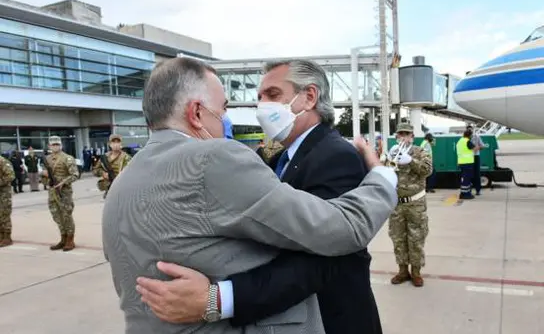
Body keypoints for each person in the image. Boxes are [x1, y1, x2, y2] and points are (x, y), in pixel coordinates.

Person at [101, 57, 398, 334]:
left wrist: (219, 298)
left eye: (271, 94)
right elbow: (337, 229)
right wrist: (383, 176)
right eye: (225, 108)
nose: (260, 107)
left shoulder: (123, 182)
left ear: (310, 97)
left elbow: (325, 256)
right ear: (196, 113)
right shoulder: (219, 159)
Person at [384, 123, 433, 286]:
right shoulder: (392, 152)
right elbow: (385, 173)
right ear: (397, 136)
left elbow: (427, 170)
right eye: (400, 134)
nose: (403, 137)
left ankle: (416, 272)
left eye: (407, 134)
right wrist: (387, 161)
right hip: (397, 204)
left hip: (415, 204)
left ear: (412, 136)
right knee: (398, 238)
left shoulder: (420, 152)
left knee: (416, 238)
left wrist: (411, 161)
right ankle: (402, 270)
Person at [42, 136, 80, 251]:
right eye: (53, 145)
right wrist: (45, 177)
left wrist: (64, 182)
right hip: (52, 192)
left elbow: (75, 174)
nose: (55, 146)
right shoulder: (47, 159)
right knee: (57, 216)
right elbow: (45, 178)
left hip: (64, 193)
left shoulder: (67, 158)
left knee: (66, 216)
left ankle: (70, 240)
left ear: (61, 145)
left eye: (57, 144)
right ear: (49, 146)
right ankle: (63, 238)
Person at [92, 134, 132, 199]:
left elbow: (132, 174)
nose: (116, 144)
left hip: (123, 190)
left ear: (121, 144)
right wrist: (102, 173)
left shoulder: (126, 158)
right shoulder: (105, 157)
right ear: (110, 144)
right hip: (109, 189)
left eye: (118, 142)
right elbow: (95, 170)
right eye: (113, 142)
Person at [0, 155, 15, 247]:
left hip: (4, 193)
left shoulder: (2, 161)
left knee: (4, 213)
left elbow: (11, 176)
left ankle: (7, 237)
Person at [468, 125, 486, 195]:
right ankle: (468, 190)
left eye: (471, 130)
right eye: (468, 130)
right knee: (469, 174)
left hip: (476, 157)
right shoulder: (465, 138)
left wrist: (476, 148)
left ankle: (478, 190)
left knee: (477, 174)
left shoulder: (477, 137)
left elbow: (483, 146)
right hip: (468, 158)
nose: (470, 131)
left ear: (473, 130)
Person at [457, 129, 475, 200]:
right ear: (470, 135)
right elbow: (474, 148)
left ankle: (462, 193)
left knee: (463, 179)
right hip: (467, 163)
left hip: (461, 162)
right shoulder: (467, 141)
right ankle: (466, 194)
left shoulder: (460, 141)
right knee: (467, 179)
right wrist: (481, 147)